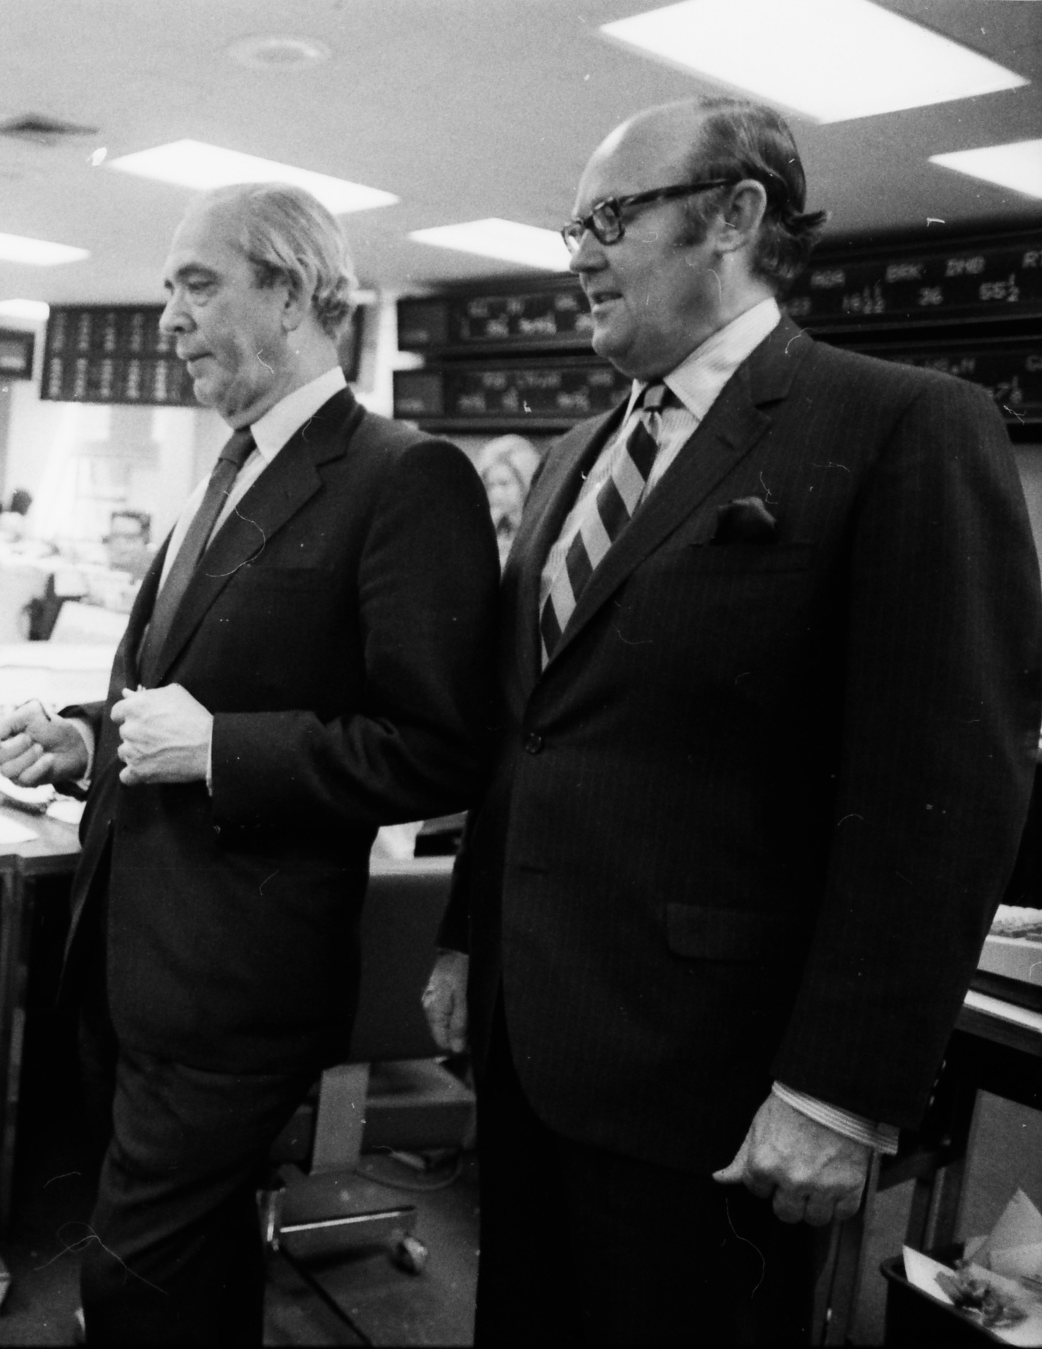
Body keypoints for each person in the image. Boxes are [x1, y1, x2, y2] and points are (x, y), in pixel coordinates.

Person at [421, 97, 1042, 1346]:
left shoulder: (899, 424)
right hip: (528, 1043)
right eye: (570, 226)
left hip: (716, 1086)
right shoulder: (569, 456)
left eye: (607, 217)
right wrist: (459, 938)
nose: (576, 254)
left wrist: (837, 1088)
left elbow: (941, 783)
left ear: (733, 215)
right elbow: (527, 734)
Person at [0, 182, 499, 1345]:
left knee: (133, 1280)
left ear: (293, 293)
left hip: (233, 981)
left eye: (197, 285)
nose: (167, 316)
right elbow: (174, 688)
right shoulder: (225, 472)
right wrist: (86, 735)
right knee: (186, 1273)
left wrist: (216, 748)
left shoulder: (401, 475)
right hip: (128, 951)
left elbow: (439, 748)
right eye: (168, 288)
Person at [475, 434, 538, 567]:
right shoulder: (490, 526)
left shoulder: (539, 527)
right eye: (490, 485)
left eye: (504, 483)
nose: (496, 493)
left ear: (525, 482)